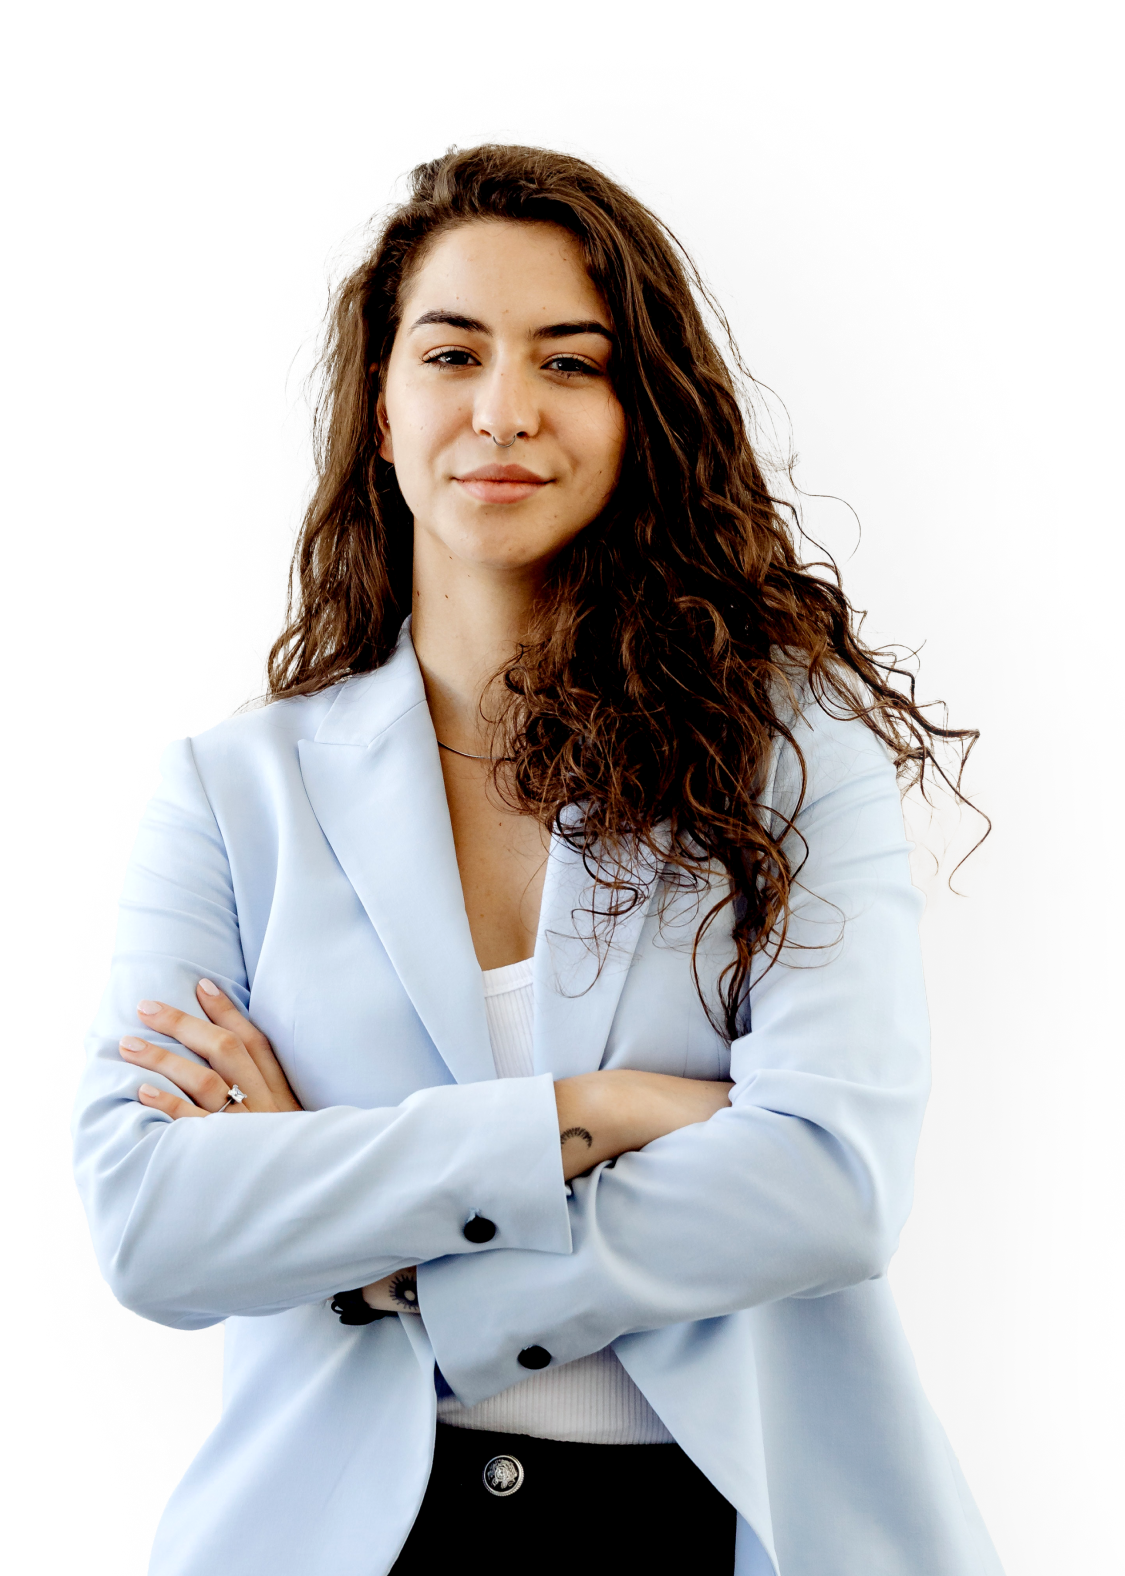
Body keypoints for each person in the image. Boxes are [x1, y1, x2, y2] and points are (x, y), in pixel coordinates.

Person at [70, 129, 1007, 1575]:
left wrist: (389, 1261)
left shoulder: (791, 761)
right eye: (452, 355)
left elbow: (831, 1185)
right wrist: (604, 1108)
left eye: (570, 362)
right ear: (380, 413)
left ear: (641, 417)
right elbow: (152, 1223)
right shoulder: (231, 795)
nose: (504, 410)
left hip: (729, 1529)